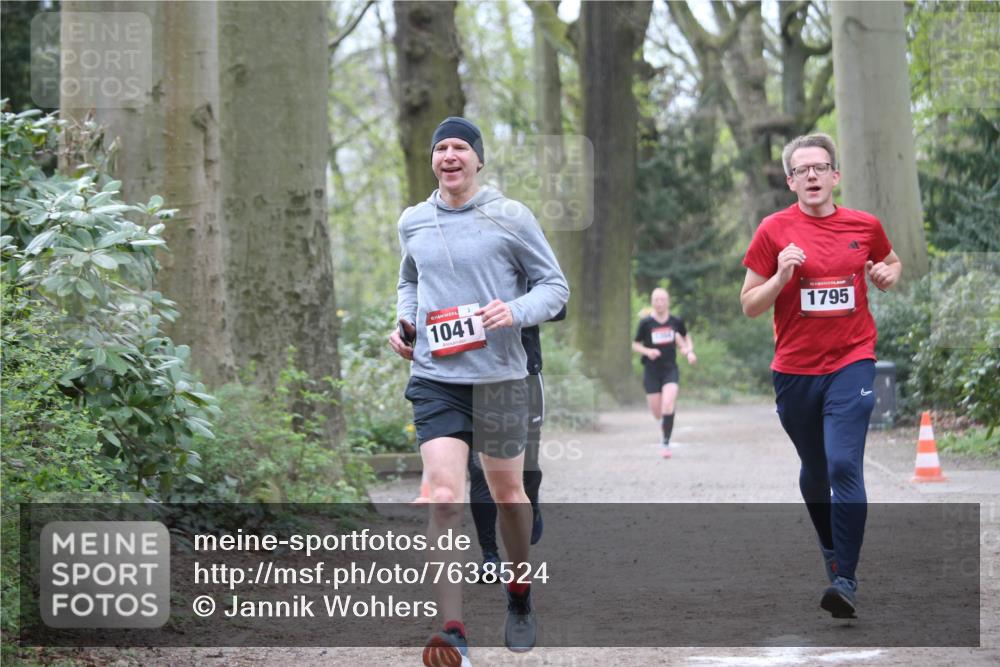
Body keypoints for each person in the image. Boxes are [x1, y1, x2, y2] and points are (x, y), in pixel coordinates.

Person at [388, 116, 569, 667]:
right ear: (433, 161)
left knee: (509, 497)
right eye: (440, 147)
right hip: (436, 377)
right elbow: (410, 280)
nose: (449, 155)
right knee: (443, 497)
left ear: (478, 159)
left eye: (460, 147)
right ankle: (454, 631)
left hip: (500, 378)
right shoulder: (414, 220)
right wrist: (404, 323)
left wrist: (512, 311)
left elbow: (555, 289)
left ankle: (519, 592)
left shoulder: (510, 216)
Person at [739, 133, 902, 619]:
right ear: (790, 181)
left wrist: (888, 274)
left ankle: (846, 580)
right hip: (794, 372)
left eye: (820, 167)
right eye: (802, 170)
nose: (812, 176)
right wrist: (780, 278)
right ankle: (831, 550)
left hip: (852, 361)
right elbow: (749, 305)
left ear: (835, 175)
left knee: (843, 466)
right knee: (814, 469)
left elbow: (891, 263)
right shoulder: (773, 231)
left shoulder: (864, 225)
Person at [468, 305, 565, 578]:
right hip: (473, 374)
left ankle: (530, 499)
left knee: (528, 467)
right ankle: (489, 556)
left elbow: (557, 305)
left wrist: (514, 308)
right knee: (478, 470)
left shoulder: (523, 261)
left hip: (525, 371)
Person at [632, 288, 697, 458]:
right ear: (652, 302)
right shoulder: (646, 323)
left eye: (662, 300)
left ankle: (665, 443)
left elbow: (685, 337)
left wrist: (689, 350)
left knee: (668, 403)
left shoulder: (676, 321)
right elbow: (635, 344)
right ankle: (665, 421)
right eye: (656, 300)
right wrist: (648, 352)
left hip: (670, 369)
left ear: (668, 302)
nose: (659, 303)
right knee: (657, 412)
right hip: (651, 371)